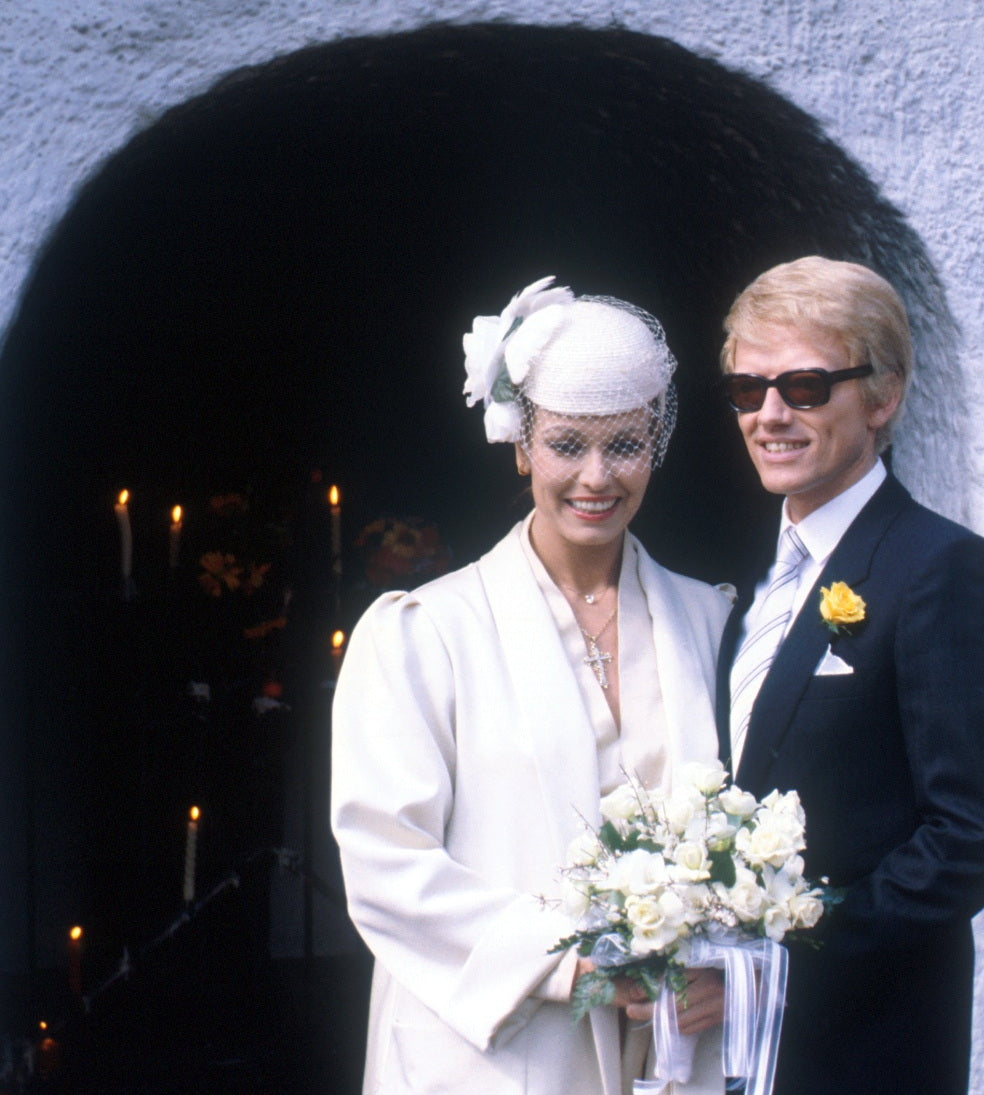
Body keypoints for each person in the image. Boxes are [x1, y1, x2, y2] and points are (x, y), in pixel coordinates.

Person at [332, 278, 729, 1095]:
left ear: (655, 442)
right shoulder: (423, 635)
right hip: (492, 1051)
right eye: (567, 444)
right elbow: (386, 862)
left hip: (668, 1053)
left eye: (623, 444)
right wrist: (572, 958)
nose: (595, 476)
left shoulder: (711, 621)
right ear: (520, 443)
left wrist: (722, 962)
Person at [715, 256, 984, 1095]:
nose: (770, 415)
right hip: (743, 1055)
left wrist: (784, 955)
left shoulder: (942, 569)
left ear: (883, 395)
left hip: (871, 1049)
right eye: (749, 390)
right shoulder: (748, 584)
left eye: (806, 388)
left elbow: (976, 835)